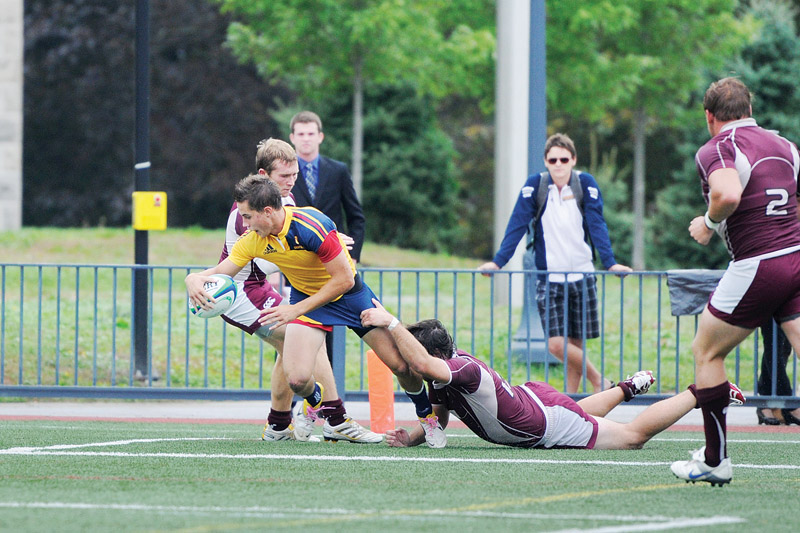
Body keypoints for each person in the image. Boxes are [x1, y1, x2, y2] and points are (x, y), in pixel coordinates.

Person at [186, 172, 446, 448]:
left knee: (400, 365)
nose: (244, 224)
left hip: (350, 297)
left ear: (268, 211)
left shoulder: (311, 224)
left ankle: (427, 418)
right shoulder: (253, 239)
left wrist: (295, 309)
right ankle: (317, 403)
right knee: (297, 380)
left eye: (247, 217)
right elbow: (221, 271)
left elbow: (344, 280)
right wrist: (193, 278)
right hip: (308, 300)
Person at [360, 300, 744, 451]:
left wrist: (392, 322)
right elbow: (439, 420)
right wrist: (409, 437)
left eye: (415, 357)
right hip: (539, 402)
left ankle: (704, 392)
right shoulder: (443, 374)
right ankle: (627, 388)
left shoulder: (460, 367)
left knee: (632, 439)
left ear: (435, 354)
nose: (408, 366)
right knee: (582, 416)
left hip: (545, 421)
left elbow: (423, 365)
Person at [670, 77, 800, 486]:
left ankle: (714, 459)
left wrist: (708, 223)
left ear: (709, 117)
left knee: (705, 352)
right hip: (795, 257)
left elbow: (726, 194)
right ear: (749, 108)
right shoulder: (785, 145)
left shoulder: (720, 146)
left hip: (759, 263)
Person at [213, 138, 380, 444]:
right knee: (304, 341)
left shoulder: (282, 205)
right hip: (241, 290)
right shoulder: (250, 214)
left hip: (258, 286)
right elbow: (269, 261)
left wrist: (323, 245)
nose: (290, 183)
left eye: (294, 175)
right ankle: (333, 417)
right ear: (264, 175)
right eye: (283, 177)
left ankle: (279, 426)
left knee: (294, 346)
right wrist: (322, 250)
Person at [478, 133, 631, 393]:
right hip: (549, 278)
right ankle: (599, 381)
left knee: (576, 344)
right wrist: (498, 262)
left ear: (573, 160)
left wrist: (610, 263)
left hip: (583, 275)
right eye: (553, 160)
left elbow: (597, 225)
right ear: (546, 162)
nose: (558, 164)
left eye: (563, 159)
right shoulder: (536, 186)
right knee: (556, 345)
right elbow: (517, 224)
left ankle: (572, 402)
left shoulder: (585, 183)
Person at [290, 110, 367, 367]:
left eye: (311, 134)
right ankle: (298, 396)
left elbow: (356, 216)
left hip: (334, 261)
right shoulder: (285, 174)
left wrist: (352, 256)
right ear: (292, 138)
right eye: (301, 134)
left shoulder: (338, 171)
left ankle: (330, 399)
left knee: (331, 328)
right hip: (297, 262)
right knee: (295, 329)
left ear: (320, 136)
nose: (306, 140)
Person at [756, 318, 797, 425]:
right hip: (767, 302)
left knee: (783, 346)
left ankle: (765, 400)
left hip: (783, 302)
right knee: (774, 343)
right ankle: (789, 404)